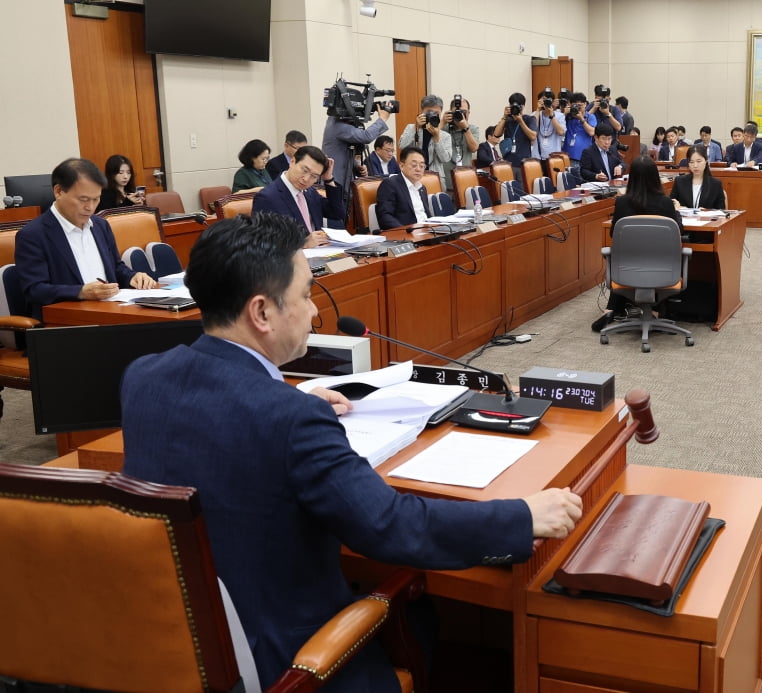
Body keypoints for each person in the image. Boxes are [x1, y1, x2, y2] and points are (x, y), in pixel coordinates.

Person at [119, 211, 583, 691]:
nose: (316, 311)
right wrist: (520, 516)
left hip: (172, 644)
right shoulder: (290, 420)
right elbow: (389, 526)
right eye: (304, 296)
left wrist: (287, 398)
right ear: (261, 312)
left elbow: (223, 423)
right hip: (285, 659)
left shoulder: (143, 377)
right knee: (422, 617)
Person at [15, 158, 156, 320]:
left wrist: (132, 276)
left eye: (96, 199)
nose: (90, 207)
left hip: (113, 312)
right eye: (83, 199)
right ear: (59, 191)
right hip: (67, 323)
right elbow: (35, 290)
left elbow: (116, 268)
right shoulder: (33, 235)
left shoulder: (101, 225)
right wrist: (81, 292)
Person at [590, 156, 684, 332]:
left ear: (631, 178)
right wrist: (676, 212)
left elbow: (614, 234)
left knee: (630, 256)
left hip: (626, 271)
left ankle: (611, 309)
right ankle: (655, 311)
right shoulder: (665, 203)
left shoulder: (622, 202)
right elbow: (678, 232)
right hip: (663, 271)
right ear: (655, 177)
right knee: (661, 256)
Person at [251, 145, 343, 247]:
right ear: (292, 162)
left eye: (314, 176)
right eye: (304, 170)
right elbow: (262, 243)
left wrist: (328, 179)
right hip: (291, 260)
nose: (306, 179)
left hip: (320, 255)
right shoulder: (267, 197)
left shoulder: (310, 192)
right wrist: (302, 243)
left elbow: (337, 213)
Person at [321, 101, 390, 193]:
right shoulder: (337, 125)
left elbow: (342, 153)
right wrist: (382, 119)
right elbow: (366, 136)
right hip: (336, 185)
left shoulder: (334, 122)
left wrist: (356, 167)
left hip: (341, 182)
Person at [398, 95, 453, 190]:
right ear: (421, 112)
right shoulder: (411, 128)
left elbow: (445, 159)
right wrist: (416, 127)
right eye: (429, 112)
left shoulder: (445, 136)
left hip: (435, 178)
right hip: (412, 177)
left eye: (436, 113)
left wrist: (437, 138)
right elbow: (402, 146)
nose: (433, 115)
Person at [375, 147, 431, 229]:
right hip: (407, 235)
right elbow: (385, 217)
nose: (418, 169)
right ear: (401, 166)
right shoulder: (390, 184)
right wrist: (406, 231)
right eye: (414, 165)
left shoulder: (422, 188)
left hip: (427, 231)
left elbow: (426, 215)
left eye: (422, 166)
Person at [493, 92, 538, 188]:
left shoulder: (529, 119)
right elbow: (496, 134)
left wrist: (520, 121)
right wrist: (504, 117)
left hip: (523, 164)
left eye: (518, 105)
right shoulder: (507, 120)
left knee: (522, 192)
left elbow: (533, 136)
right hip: (508, 164)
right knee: (509, 192)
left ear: (523, 106)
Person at [441, 96, 482, 190]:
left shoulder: (473, 129)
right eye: (457, 111)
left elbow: (474, 148)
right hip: (447, 183)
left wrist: (466, 128)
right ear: (451, 112)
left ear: (469, 113)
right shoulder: (443, 128)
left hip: (466, 181)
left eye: (464, 112)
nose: (461, 115)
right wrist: (442, 122)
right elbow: (432, 139)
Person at [669, 144, 726, 210]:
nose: (695, 165)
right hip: (684, 219)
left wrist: (706, 211)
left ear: (706, 161)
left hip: (707, 220)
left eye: (699, 161)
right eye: (691, 162)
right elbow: (671, 204)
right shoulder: (679, 181)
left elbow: (721, 210)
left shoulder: (716, 184)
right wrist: (677, 206)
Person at [563, 92, 597, 167]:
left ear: (585, 104)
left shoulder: (590, 117)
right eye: (575, 106)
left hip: (583, 157)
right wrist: (564, 114)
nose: (577, 108)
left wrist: (582, 119)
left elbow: (592, 132)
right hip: (567, 157)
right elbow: (559, 129)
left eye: (579, 106)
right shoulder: (568, 117)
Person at [531, 91, 565, 168]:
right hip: (537, 156)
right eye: (543, 99)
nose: (545, 102)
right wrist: (538, 110)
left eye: (548, 100)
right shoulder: (534, 115)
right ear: (539, 101)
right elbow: (533, 130)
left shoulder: (560, 116)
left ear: (552, 102)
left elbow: (561, 132)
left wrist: (552, 116)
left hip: (554, 157)